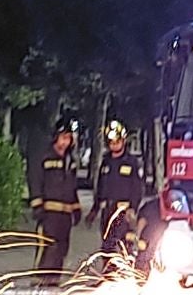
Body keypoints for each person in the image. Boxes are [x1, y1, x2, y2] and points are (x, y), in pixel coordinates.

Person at [29, 119, 81, 278]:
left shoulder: (69, 161)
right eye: (63, 138)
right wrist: (37, 204)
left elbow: (72, 186)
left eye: (68, 138)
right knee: (47, 249)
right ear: (55, 137)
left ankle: (53, 284)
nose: (65, 142)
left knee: (61, 250)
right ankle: (39, 284)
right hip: (49, 214)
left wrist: (76, 207)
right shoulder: (44, 157)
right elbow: (35, 180)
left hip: (65, 215)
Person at [87, 120, 145, 259]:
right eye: (111, 142)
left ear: (123, 141)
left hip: (123, 213)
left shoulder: (131, 162)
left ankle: (125, 274)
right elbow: (101, 186)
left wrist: (133, 208)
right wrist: (94, 209)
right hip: (107, 211)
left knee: (124, 245)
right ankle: (108, 277)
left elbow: (137, 187)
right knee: (107, 247)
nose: (114, 145)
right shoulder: (106, 162)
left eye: (117, 141)